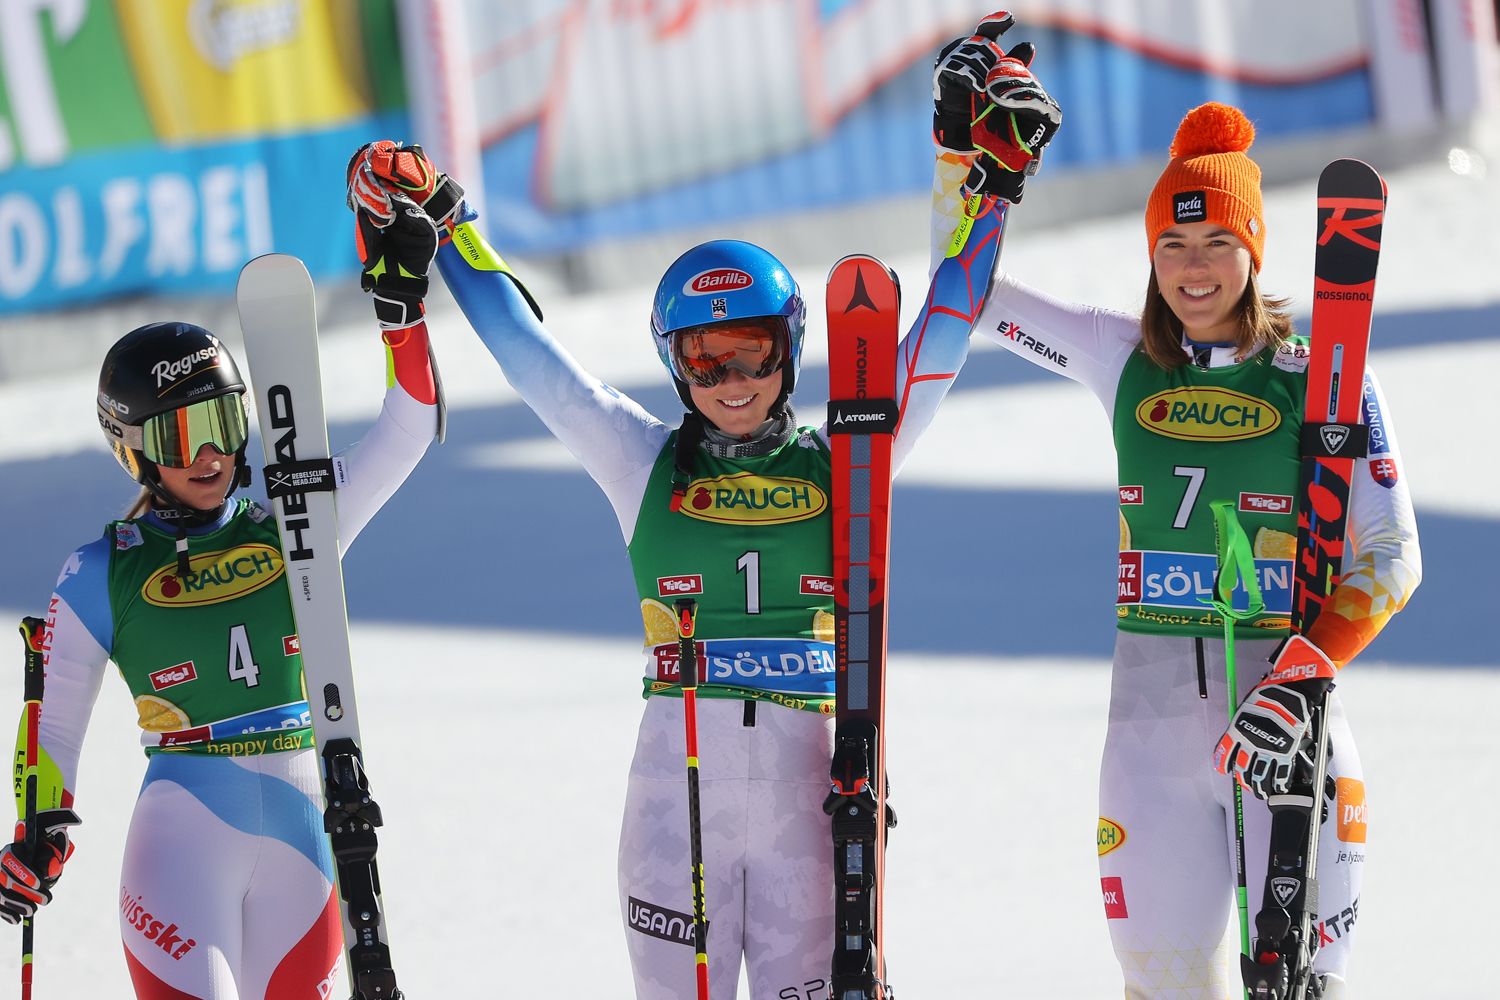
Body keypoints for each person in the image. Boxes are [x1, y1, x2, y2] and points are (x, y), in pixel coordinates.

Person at [343, 15, 1060, 995]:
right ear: (674, 366)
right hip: (674, 808)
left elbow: (943, 325)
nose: (732, 381)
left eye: (752, 352)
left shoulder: (852, 458)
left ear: (790, 349)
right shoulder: (640, 460)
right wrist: (448, 217)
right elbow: (529, 359)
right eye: (704, 358)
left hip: (817, 803)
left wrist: (993, 183)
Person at [951, 83, 1421, 998]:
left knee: (1304, 987)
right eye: (1172, 243)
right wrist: (966, 175)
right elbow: (965, 296)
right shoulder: (1121, 356)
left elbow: (1392, 554)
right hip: (1149, 742)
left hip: (1285, 734)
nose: (1193, 267)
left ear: (1253, 249)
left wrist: (1303, 673)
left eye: (1217, 243)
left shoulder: (1323, 377)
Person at [0, 198, 443, 997]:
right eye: (178, 435)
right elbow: (55, 723)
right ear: (133, 451)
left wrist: (402, 312)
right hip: (183, 840)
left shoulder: (298, 519)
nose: (208, 454)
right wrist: (42, 833)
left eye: (221, 421)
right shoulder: (101, 571)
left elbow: (410, 426)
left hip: (306, 832)